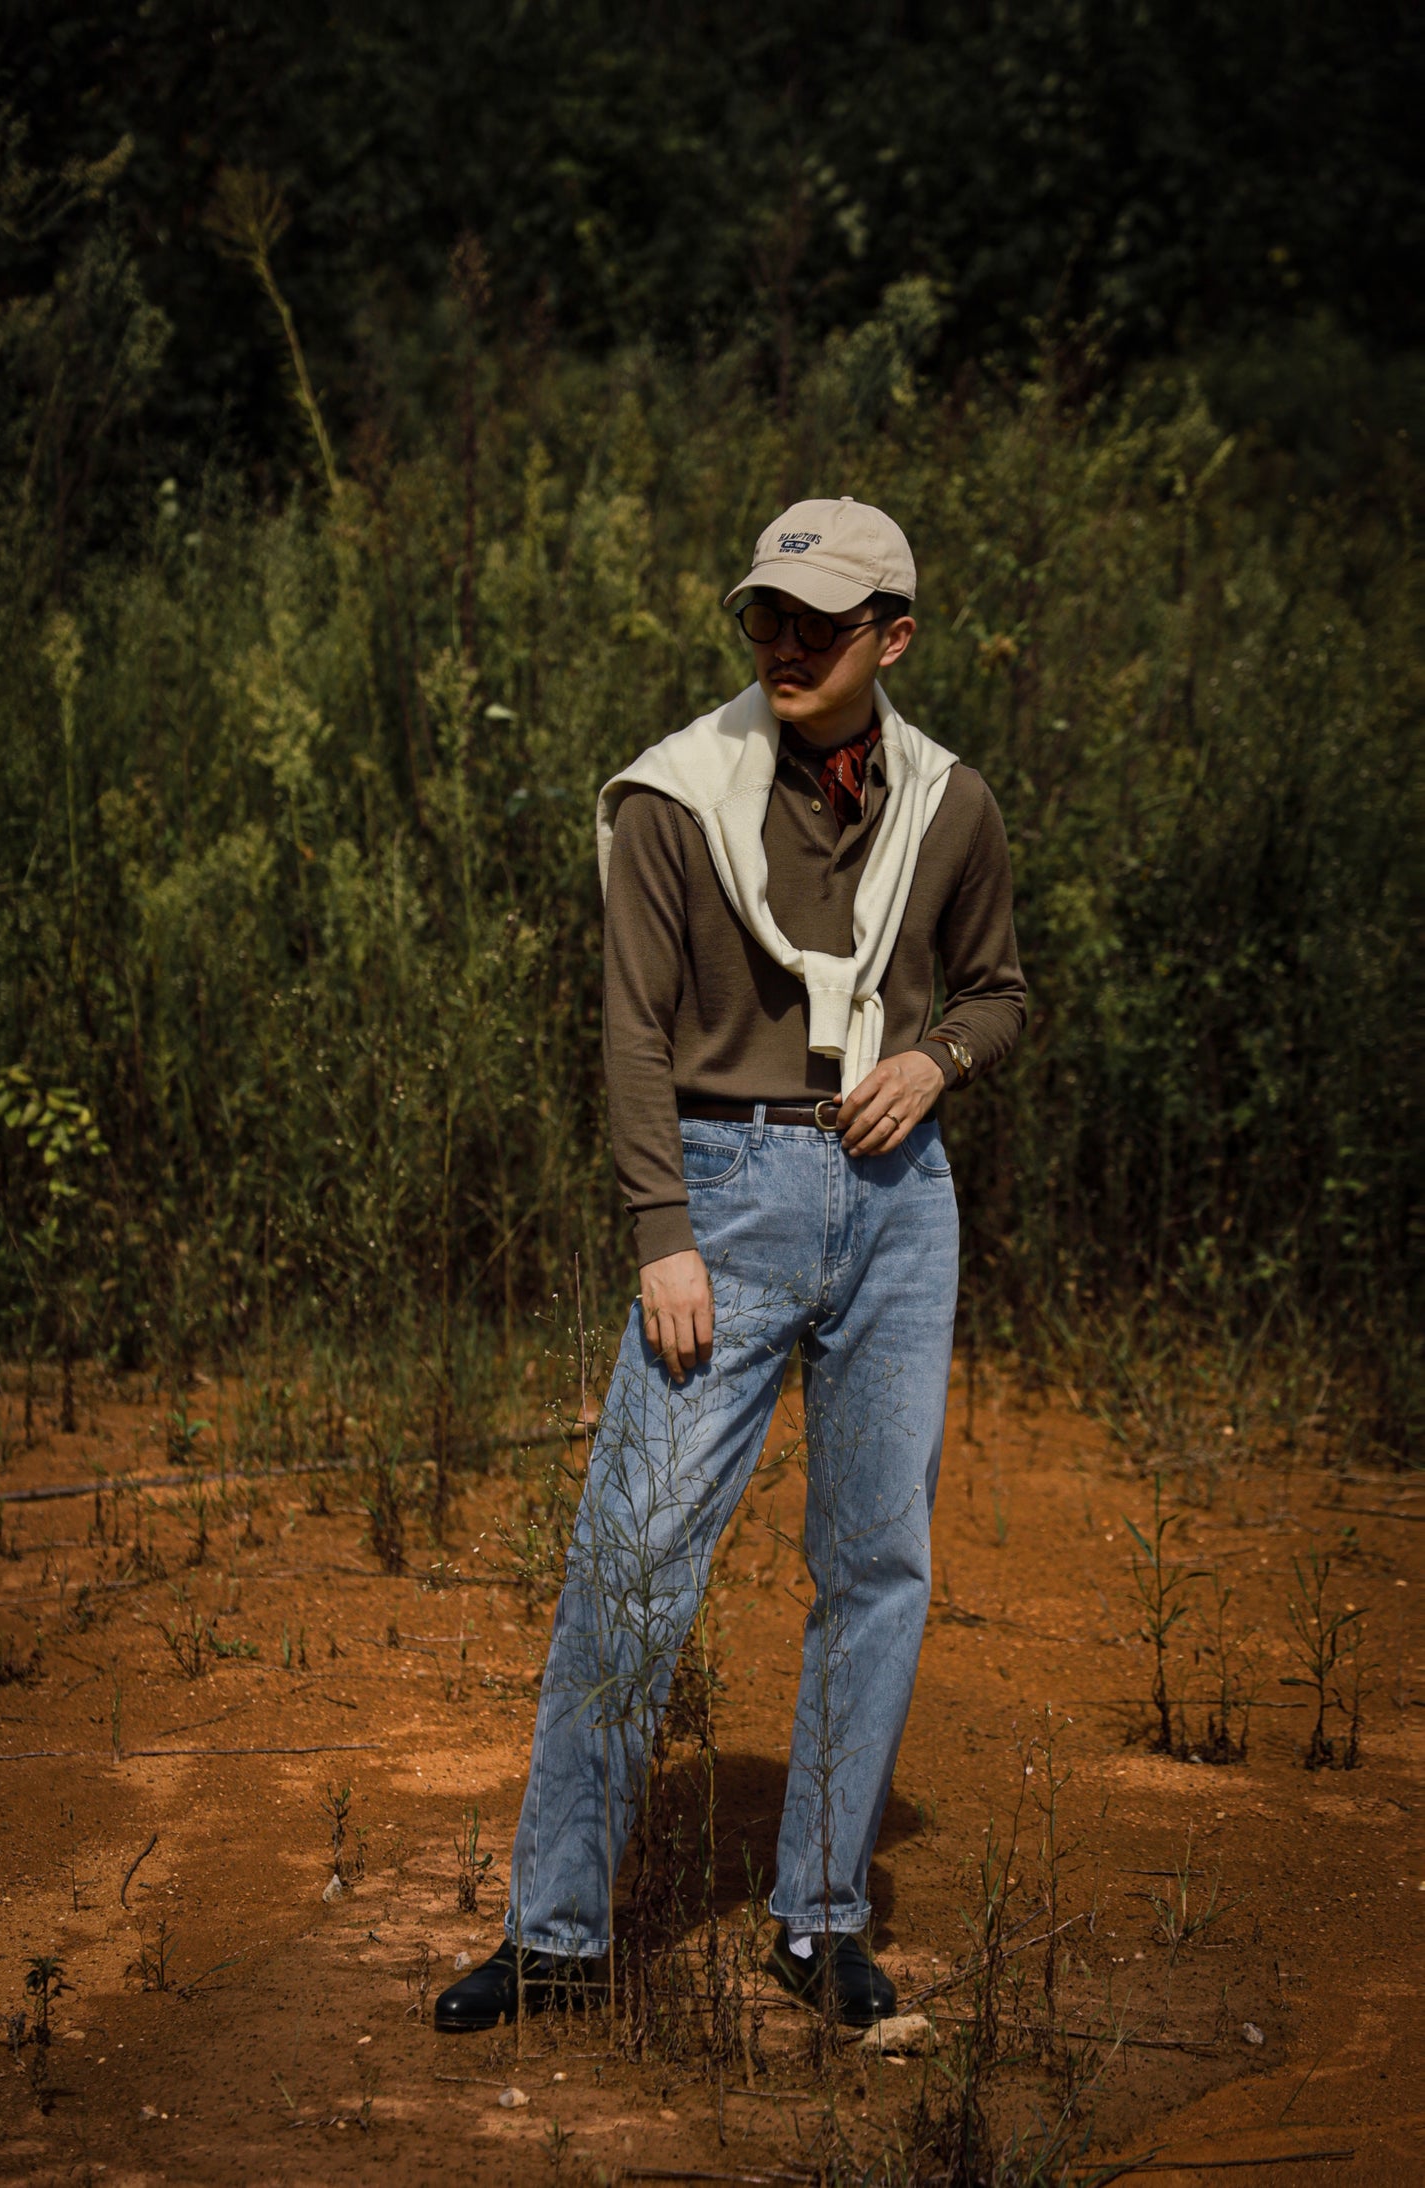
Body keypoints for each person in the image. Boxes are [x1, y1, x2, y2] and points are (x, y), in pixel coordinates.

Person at [435, 496, 1026, 2033]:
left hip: (901, 1197)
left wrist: (942, 1059)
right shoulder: (671, 796)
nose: (781, 646)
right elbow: (631, 1031)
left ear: (890, 636)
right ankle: (557, 1933)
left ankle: (818, 1922)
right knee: (632, 1566)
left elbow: (1001, 988)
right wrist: (660, 1234)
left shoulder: (949, 803)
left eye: (817, 627)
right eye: (764, 617)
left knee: (876, 1565)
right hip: (724, 1188)